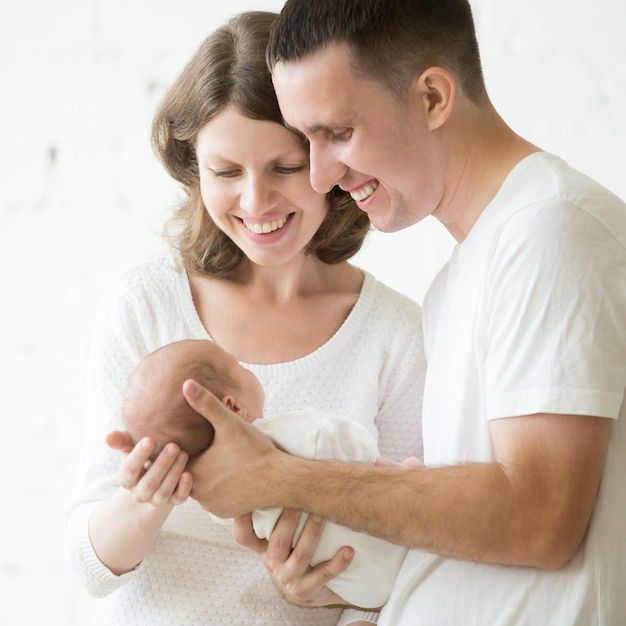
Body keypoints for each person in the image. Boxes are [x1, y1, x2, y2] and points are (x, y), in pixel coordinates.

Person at [179, 1, 626, 624]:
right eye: (306, 140)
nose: (321, 173)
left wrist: (280, 478)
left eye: (337, 133)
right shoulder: (460, 278)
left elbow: (540, 518)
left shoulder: (552, 229)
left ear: (435, 97)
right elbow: (477, 539)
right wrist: (339, 573)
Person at [66, 9, 425, 626]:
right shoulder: (146, 305)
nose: (256, 203)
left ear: (331, 161)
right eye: (225, 172)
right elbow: (89, 564)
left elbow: (411, 567)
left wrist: (323, 593)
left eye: (285, 167)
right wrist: (145, 502)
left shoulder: (392, 336)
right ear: (192, 169)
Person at [123, 338, 410, 609]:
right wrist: (374, 459)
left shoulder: (220, 502)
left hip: (363, 591)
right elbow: (345, 442)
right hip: (400, 548)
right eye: (239, 366)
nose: (247, 368)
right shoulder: (283, 435)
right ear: (232, 407)